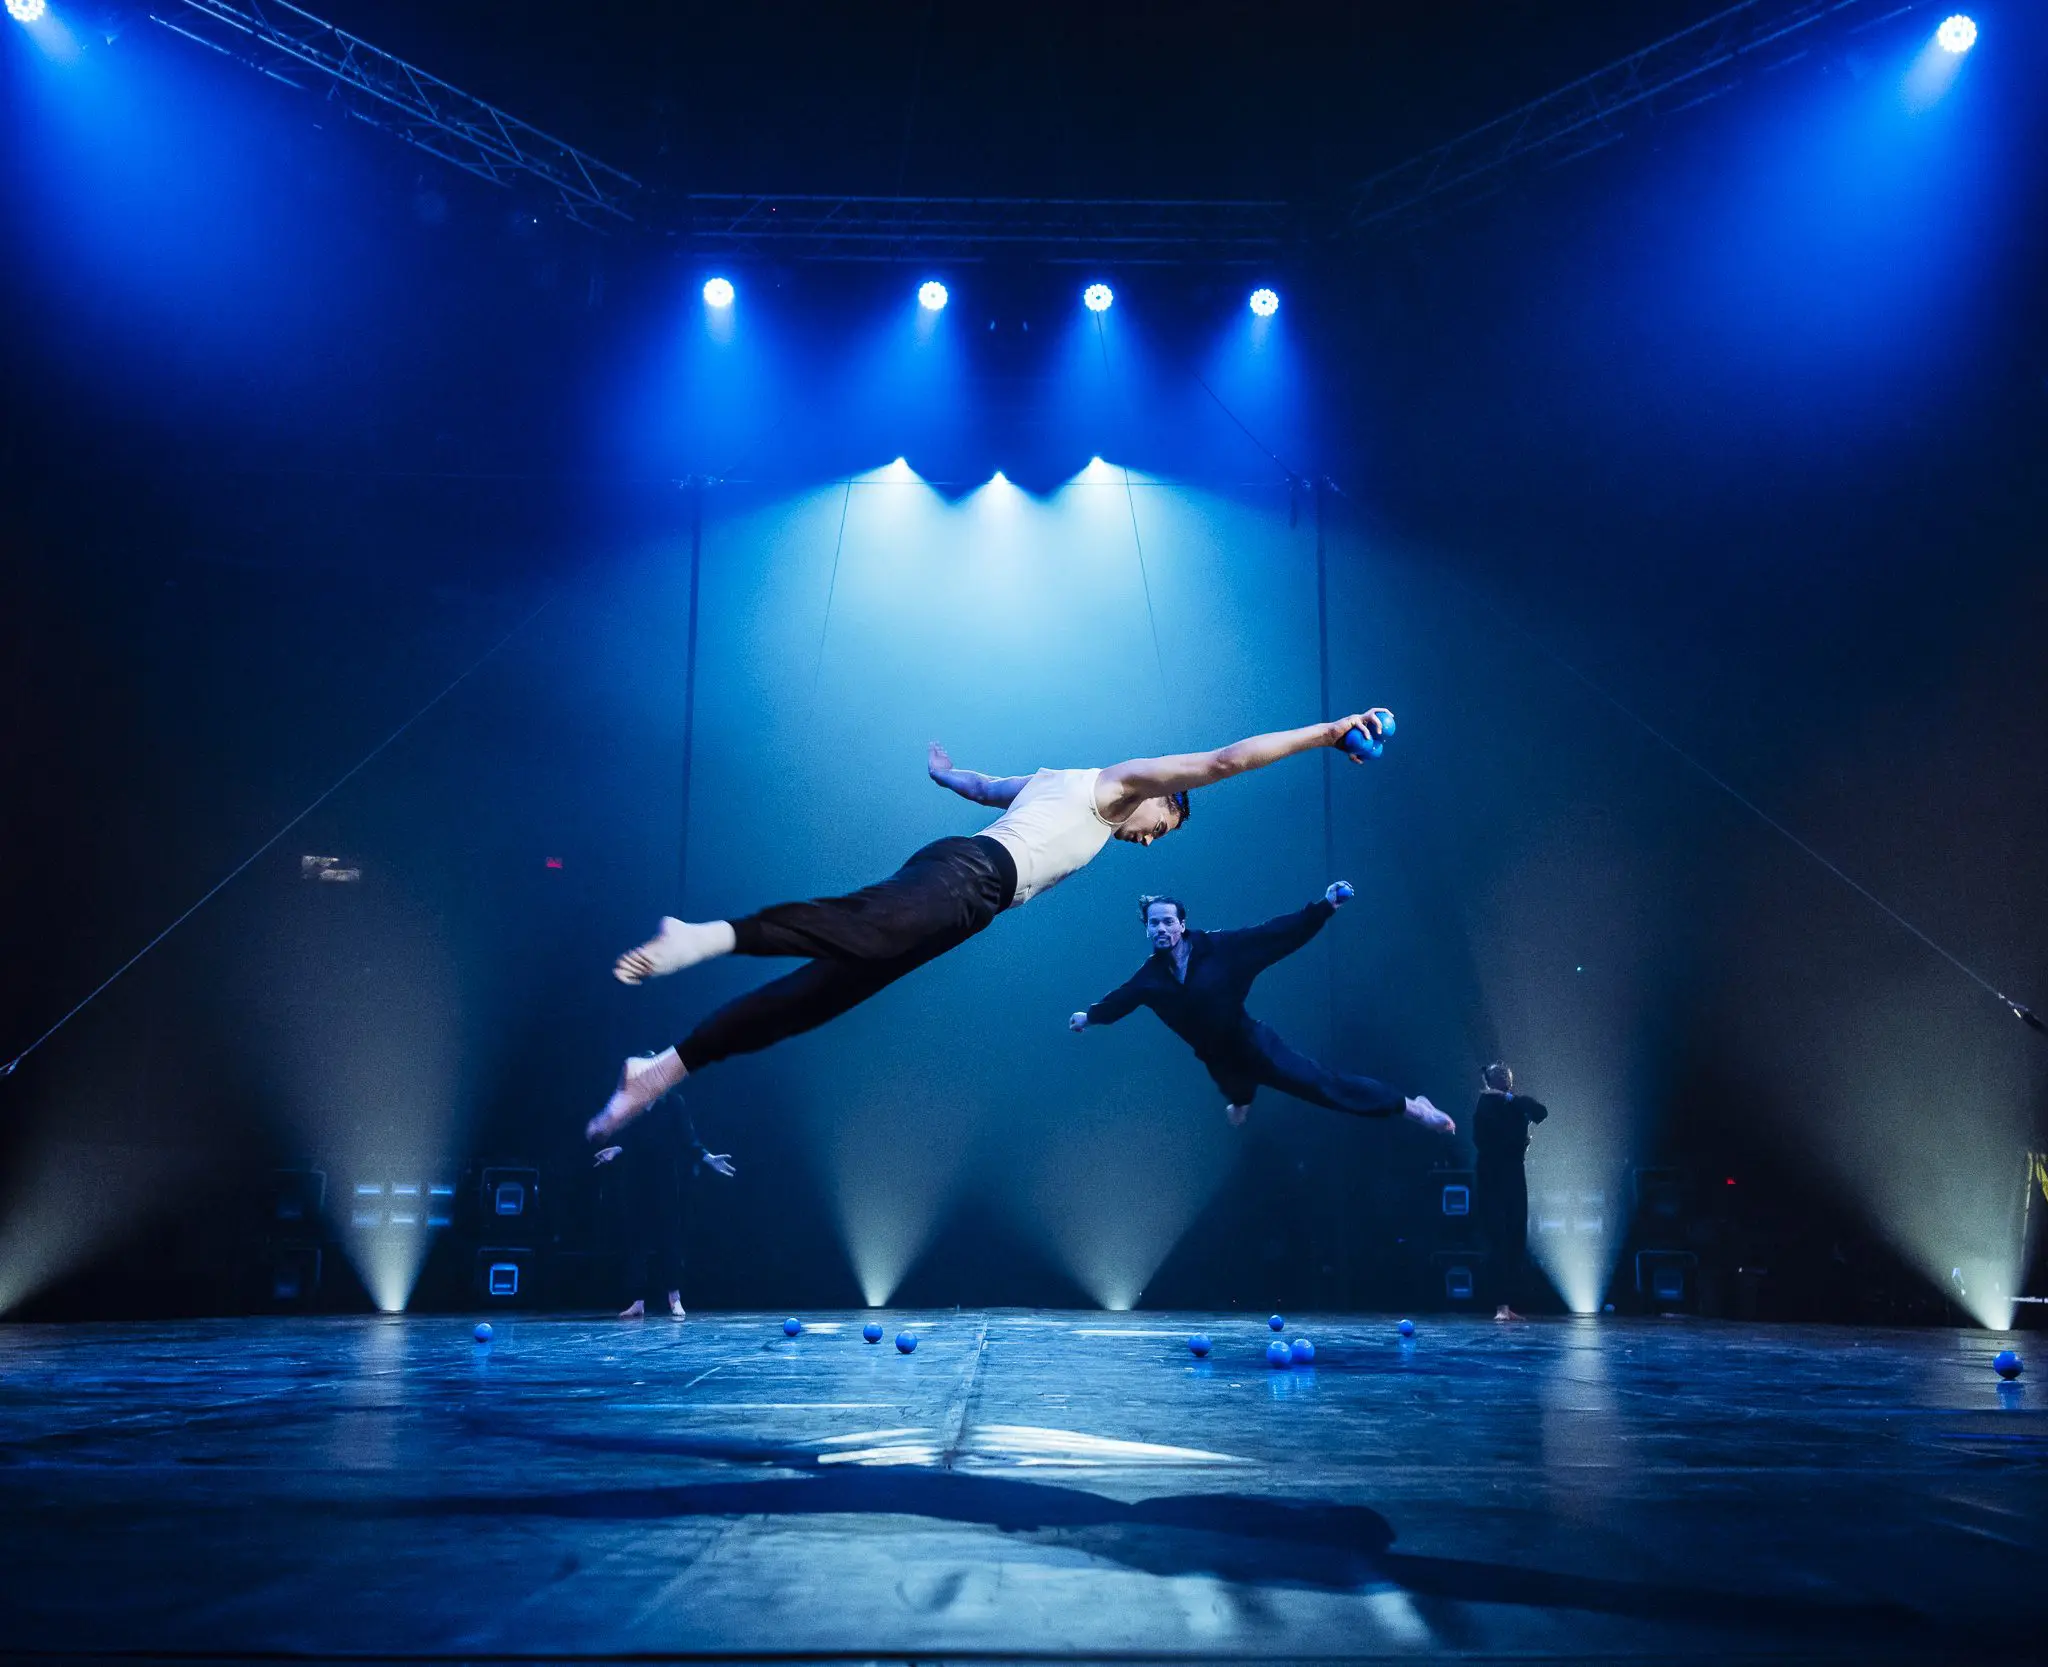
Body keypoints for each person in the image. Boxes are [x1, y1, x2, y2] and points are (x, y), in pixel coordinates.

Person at [588, 708, 1400, 1140]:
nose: (1151, 838)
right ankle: (707, 934)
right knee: (862, 929)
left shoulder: (1051, 782)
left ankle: (660, 1071)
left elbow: (984, 785)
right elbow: (1227, 761)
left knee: (817, 997)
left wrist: (947, 773)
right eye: (1163, 825)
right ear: (1157, 797)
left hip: (968, 901)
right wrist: (1327, 732)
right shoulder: (1117, 784)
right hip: (968, 875)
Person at [1068, 886, 1454, 1134]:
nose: (1160, 929)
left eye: (1168, 921)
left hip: (1253, 1044)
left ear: (1182, 925)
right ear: (1146, 931)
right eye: (1153, 924)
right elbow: (1119, 1000)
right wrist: (1089, 1016)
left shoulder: (1220, 949)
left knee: (1321, 1085)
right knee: (1236, 1092)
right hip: (1217, 1060)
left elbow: (1273, 935)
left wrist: (1324, 908)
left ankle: (1412, 1108)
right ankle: (1241, 1101)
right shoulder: (1149, 979)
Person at [592, 1103, 735, 1319]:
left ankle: (674, 1298)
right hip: (635, 1181)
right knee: (635, 1241)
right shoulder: (635, 1105)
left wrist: (708, 1158)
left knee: (669, 1238)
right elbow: (629, 1139)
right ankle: (637, 1301)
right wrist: (616, 1149)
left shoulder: (673, 1104)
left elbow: (689, 1140)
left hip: (665, 1180)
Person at [1472, 1060, 1548, 1320]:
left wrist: (1509, 1098)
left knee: (1516, 1237)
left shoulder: (1515, 1102)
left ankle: (1508, 1304)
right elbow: (1488, 1139)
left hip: (1514, 1174)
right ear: (1490, 1080)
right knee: (1497, 1237)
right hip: (1492, 1175)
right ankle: (1499, 1306)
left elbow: (1540, 1112)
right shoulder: (1485, 1104)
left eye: (1507, 1074)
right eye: (1499, 1074)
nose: (1505, 1076)